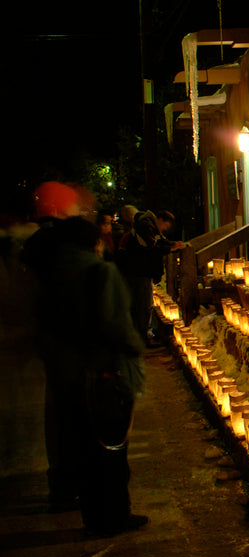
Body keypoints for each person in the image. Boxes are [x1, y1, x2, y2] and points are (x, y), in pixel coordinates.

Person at [21, 184, 147, 535]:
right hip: (100, 371)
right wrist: (133, 353)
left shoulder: (52, 273)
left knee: (81, 444)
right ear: (90, 243)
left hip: (66, 372)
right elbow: (115, 323)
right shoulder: (97, 272)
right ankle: (114, 516)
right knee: (110, 449)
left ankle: (91, 513)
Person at [116, 209, 184, 344]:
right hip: (139, 272)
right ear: (160, 220)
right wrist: (170, 248)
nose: (164, 229)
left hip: (139, 272)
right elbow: (150, 249)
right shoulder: (145, 227)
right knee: (143, 306)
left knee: (144, 305)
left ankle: (141, 336)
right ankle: (141, 339)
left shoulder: (149, 228)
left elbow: (159, 242)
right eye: (165, 226)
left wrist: (172, 245)